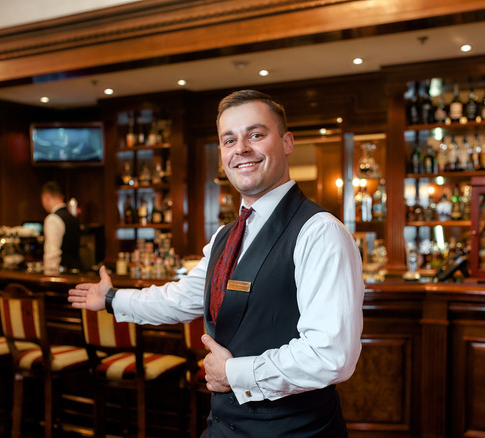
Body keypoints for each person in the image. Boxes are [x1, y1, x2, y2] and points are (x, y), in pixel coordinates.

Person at [68, 90, 363, 436]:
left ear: (286, 142)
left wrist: (234, 373)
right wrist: (111, 298)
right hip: (222, 425)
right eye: (229, 140)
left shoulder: (320, 232)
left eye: (256, 134)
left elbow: (331, 355)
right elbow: (180, 298)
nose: (241, 149)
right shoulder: (227, 234)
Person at [40, 181, 82, 274]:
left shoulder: (53, 218)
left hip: (62, 274)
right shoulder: (73, 217)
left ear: (46, 197)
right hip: (76, 271)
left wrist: (49, 278)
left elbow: (52, 253)